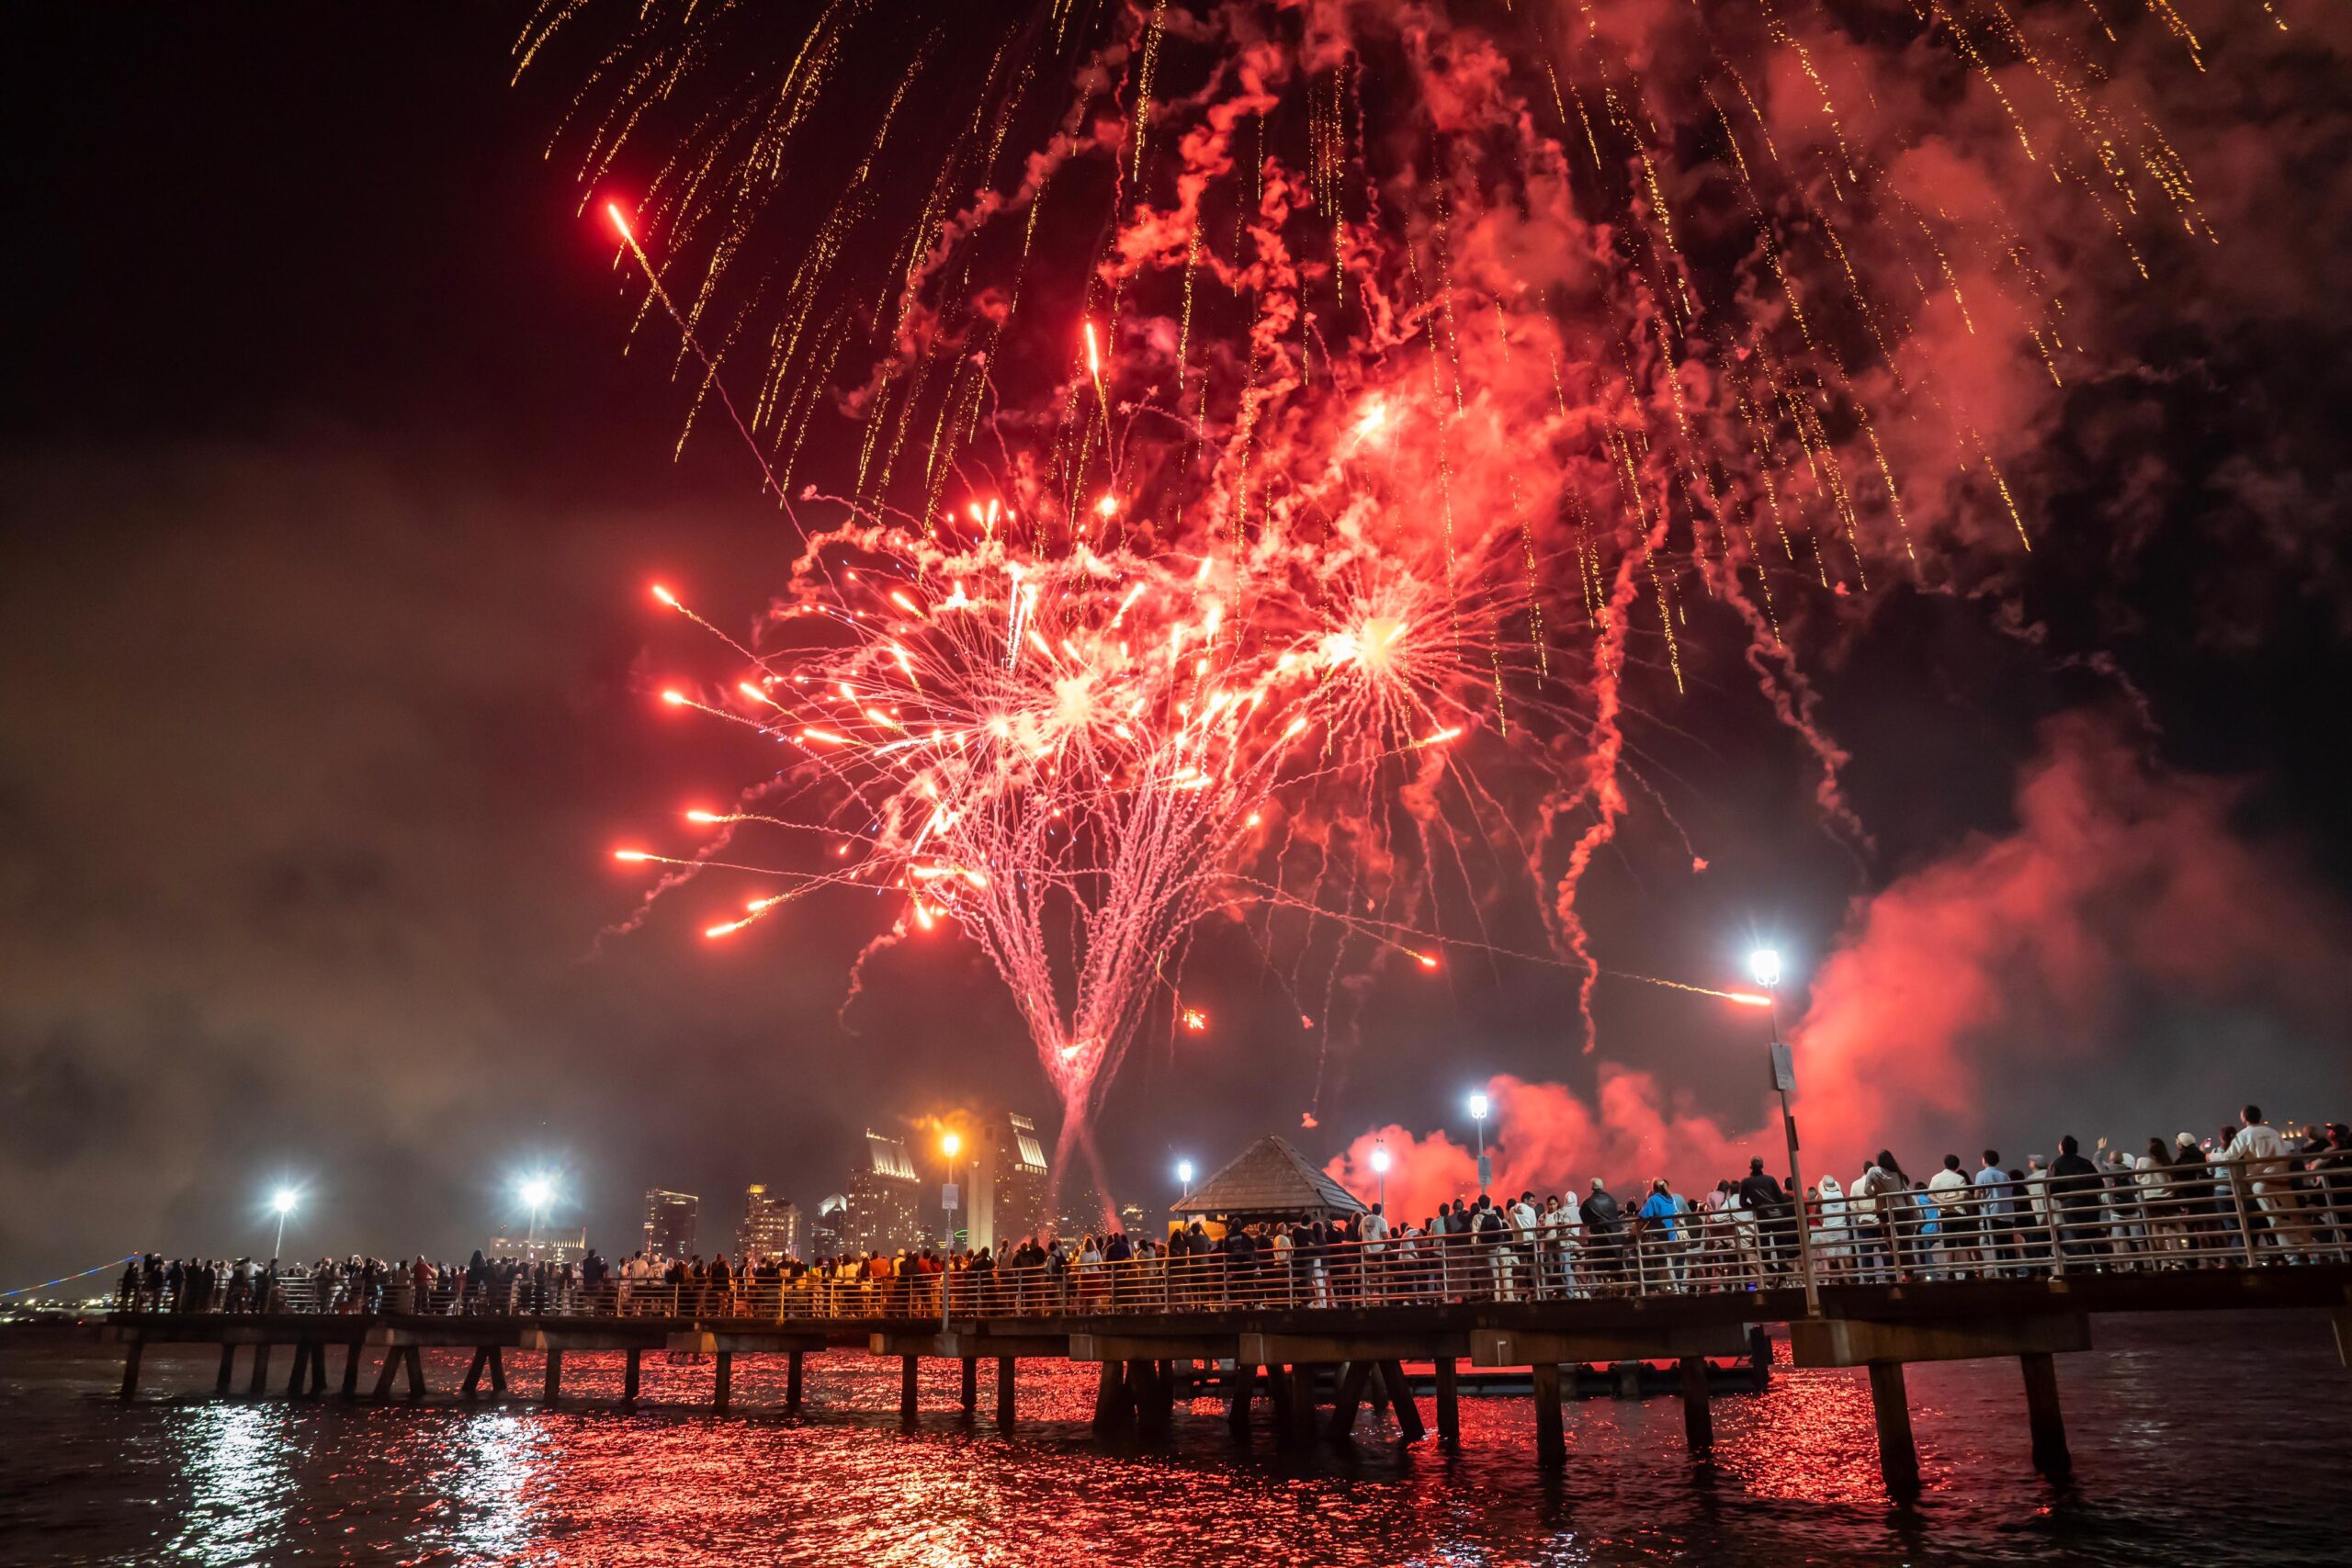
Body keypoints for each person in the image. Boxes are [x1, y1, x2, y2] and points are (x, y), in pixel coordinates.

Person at [2222, 1103, 2295, 1252]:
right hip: (2282, 1178)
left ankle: (2291, 1256)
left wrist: (2210, 1156)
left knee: (2275, 1221)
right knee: (2296, 1217)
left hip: (2260, 1181)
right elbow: (2288, 1147)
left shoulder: (2243, 1135)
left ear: (2244, 1118)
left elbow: (2229, 1157)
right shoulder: (2272, 1132)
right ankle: (2313, 1253)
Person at [2051, 1135, 2103, 1264]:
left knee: (2078, 1238)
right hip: (2091, 1205)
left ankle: (2088, 1267)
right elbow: (2099, 1183)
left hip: (2070, 1206)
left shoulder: (2056, 1164)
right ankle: (2105, 1266)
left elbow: (2052, 1188)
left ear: (2061, 1147)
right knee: (2095, 1234)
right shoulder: (2085, 1163)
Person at [1927, 1155, 1974, 1278]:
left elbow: (1930, 1194)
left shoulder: (1935, 1178)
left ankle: (1950, 1272)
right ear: (1957, 1165)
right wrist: (1952, 1200)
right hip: (1959, 1213)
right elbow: (1964, 1195)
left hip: (1944, 1214)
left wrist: (1941, 1202)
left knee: (1949, 1245)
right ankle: (1969, 1272)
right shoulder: (1960, 1178)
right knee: (1964, 1244)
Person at [1973, 1151, 2018, 1274]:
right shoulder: (2004, 1175)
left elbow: (1977, 1195)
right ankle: (2013, 1272)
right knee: (2009, 1245)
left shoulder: (1981, 1175)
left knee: (1995, 1245)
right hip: (2007, 1214)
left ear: (1984, 1160)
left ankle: (2000, 1271)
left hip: (1992, 1214)